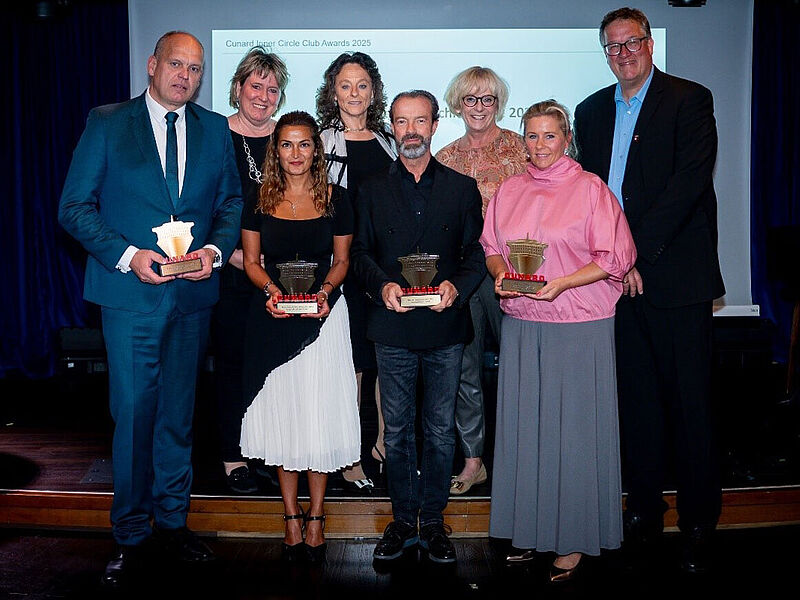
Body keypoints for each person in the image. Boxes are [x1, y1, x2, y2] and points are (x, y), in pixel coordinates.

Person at [58, 31, 242, 587]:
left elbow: (231, 202)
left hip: (190, 299)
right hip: (131, 298)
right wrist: (128, 255)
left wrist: (213, 250)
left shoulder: (214, 129)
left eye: (195, 68)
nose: (185, 76)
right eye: (176, 65)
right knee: (135, 415)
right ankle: (131, 534)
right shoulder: (108, 122)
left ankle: (173, 523)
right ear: (152, 65)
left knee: (178, 418)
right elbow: (74, 208)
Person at [574, 7, 725, 573]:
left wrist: (631, 251)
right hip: (615, 285)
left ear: (650, 44)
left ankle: (697, 523)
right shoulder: (589, 112)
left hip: (673, 281)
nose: (623, 53)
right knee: (634, 407)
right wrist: (608, 260)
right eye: (612, 47)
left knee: (690, 408)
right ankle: (643, 512)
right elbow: (587, 198)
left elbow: (688, 186)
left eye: (631, 42)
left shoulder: (690, 100)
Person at [483, 100, 636, 582]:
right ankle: (529, 531)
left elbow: (615, 257)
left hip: (578, 325)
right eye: (532, 136)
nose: (540, 145)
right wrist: (502, 275)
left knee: (573, 434)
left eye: (550, 136)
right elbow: (491, 248)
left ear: (566, 138)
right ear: (522, 140)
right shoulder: (509, 189)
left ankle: (573, 538)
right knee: (527, 433)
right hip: (524, 324)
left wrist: (564, 283)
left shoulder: (591, 189)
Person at [351, 90, 485, 564]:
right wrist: (382, 285)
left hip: (445, 325)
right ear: (392, 126)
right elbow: (360, 255)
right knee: (400, 431)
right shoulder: (369, 188)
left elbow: (476, 256)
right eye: (402, 121)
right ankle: (402, 520)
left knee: (440, 430)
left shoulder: (462, 188)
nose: (411, 130)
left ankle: (433, 521)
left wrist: (457, 286)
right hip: (393, 327)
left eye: (420, 121)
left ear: (434, 125)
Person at [239, 111, 361, 563]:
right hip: (272, 317)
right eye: (286, 145)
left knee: (317, 416)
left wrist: (324, 293)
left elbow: (343, 261)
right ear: (276, 150)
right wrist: (273, 292)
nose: (296, 153)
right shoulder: (257, 197)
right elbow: (252, 262)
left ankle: (317, 516)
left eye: (304, 144)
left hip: (323, 318)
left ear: (317, 149)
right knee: (284, 416)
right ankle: (290, 515)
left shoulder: (337, 198)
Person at [435, 66, 527, 495]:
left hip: (518, 278)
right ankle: (474, 462)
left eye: (487, 99)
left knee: (521, 368)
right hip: (467, 279)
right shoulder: (445, 158)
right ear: (457, 104)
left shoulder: (523, 150)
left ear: (499, 103)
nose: (479, 108)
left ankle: (522, 458)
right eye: (470, 99)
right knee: (464, 371)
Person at [316, 52, 397, 493]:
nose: (354, 94)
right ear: (333, 91)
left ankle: (384, 445)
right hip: (342, 269)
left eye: (362, 85)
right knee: (352, 368)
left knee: (386, 362)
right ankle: (350, 455)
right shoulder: (320, 141)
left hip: (382, 268)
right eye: (345, 85)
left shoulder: (387, 140)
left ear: (374, 91)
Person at [212, 47, 289, 495]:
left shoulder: (291, 136)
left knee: (272, 368)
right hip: (234, 273)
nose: (262, 96)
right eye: (255, 86)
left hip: (284, 279)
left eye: (272, 89)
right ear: (238, 87)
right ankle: (232, 455)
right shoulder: (214, 137)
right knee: (234, 366)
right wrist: (243, 260)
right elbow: (202, 206)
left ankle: (262, 451)